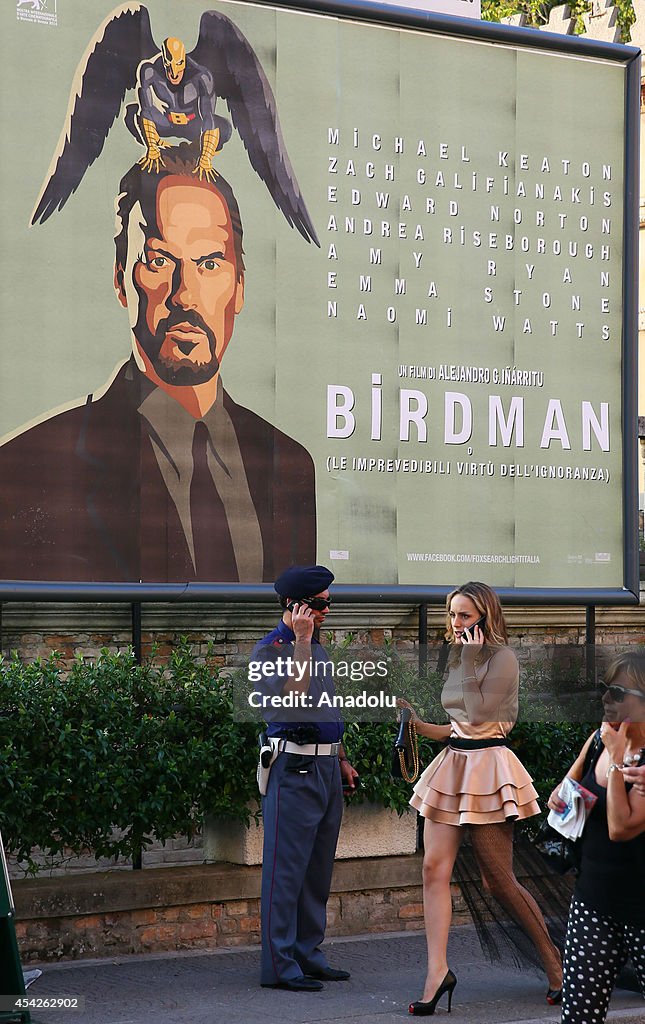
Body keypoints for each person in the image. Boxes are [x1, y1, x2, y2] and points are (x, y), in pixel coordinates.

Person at [0, 145, 315, 583]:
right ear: (120, 280)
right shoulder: (25, 468)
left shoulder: (292, 467)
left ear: (240, 286)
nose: (185, 295)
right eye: (159, 260)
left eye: (209, 263)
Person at [399, 581, 562, 1016]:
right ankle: (437, 974)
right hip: (453, 765)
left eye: (465, 615)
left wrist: (470, 664)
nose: (455, 623)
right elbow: (457, 728)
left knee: (497, 880)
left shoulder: (502, 659)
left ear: (486, 616)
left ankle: (557, 966)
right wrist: (417, 724)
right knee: (434, 868)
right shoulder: (460, 658)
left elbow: (481, 717)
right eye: (452, 614)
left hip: (490, 770)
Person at [251, 564, 358, 992]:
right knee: (285, 872)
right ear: (295, 607)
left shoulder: (316, 649)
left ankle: (308, 953)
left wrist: (343, 758)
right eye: (320, 605)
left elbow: (327, 711)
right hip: (293, 769)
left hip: (326, 769)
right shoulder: (271, 650)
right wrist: (300, 641)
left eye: (328, 604)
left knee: (317, 871)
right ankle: (279, 965)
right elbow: (291, 702)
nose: (326, 612)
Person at [547, 651, 645, 1024]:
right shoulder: (598, 741)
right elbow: (568, 794)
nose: (606, 699)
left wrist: (619, 760)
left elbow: (621, 827)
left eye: (618, 692)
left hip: (641, 907)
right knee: (579, 1017)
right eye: (605, 689)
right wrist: (560, 798)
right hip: (593, 901)